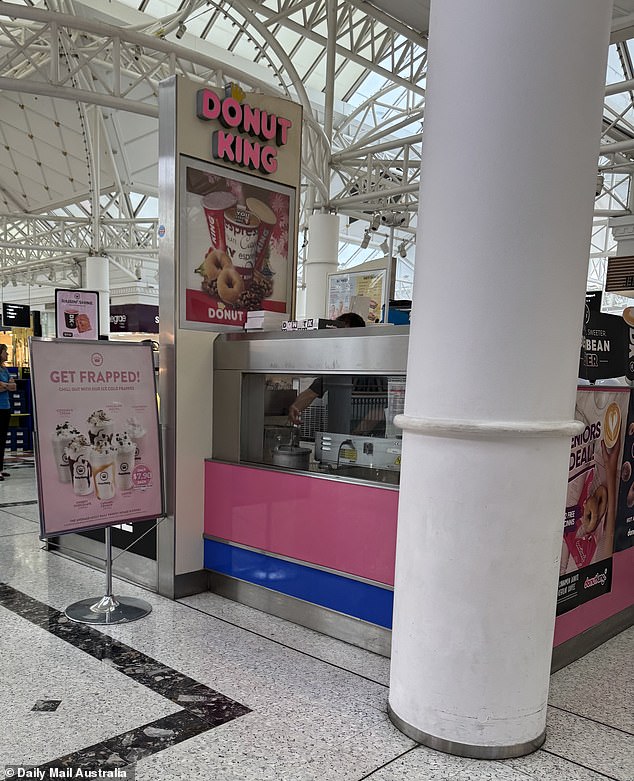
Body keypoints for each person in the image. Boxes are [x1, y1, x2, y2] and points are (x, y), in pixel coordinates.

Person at [288, 312, 366, 424]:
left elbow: (377, 413)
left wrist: (355, 436)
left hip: (368, 437)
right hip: (339, 433)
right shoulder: (339, 366)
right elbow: (312, 392)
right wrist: (295, 408)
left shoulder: (370, 368)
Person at [0, 344, 16, 481]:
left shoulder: (5, 370)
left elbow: (14, 386)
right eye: (5, 352)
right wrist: (7, 386)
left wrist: (4, 385)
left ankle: (0, 468)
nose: (7, 355)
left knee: (2, 440)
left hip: (6, 407)